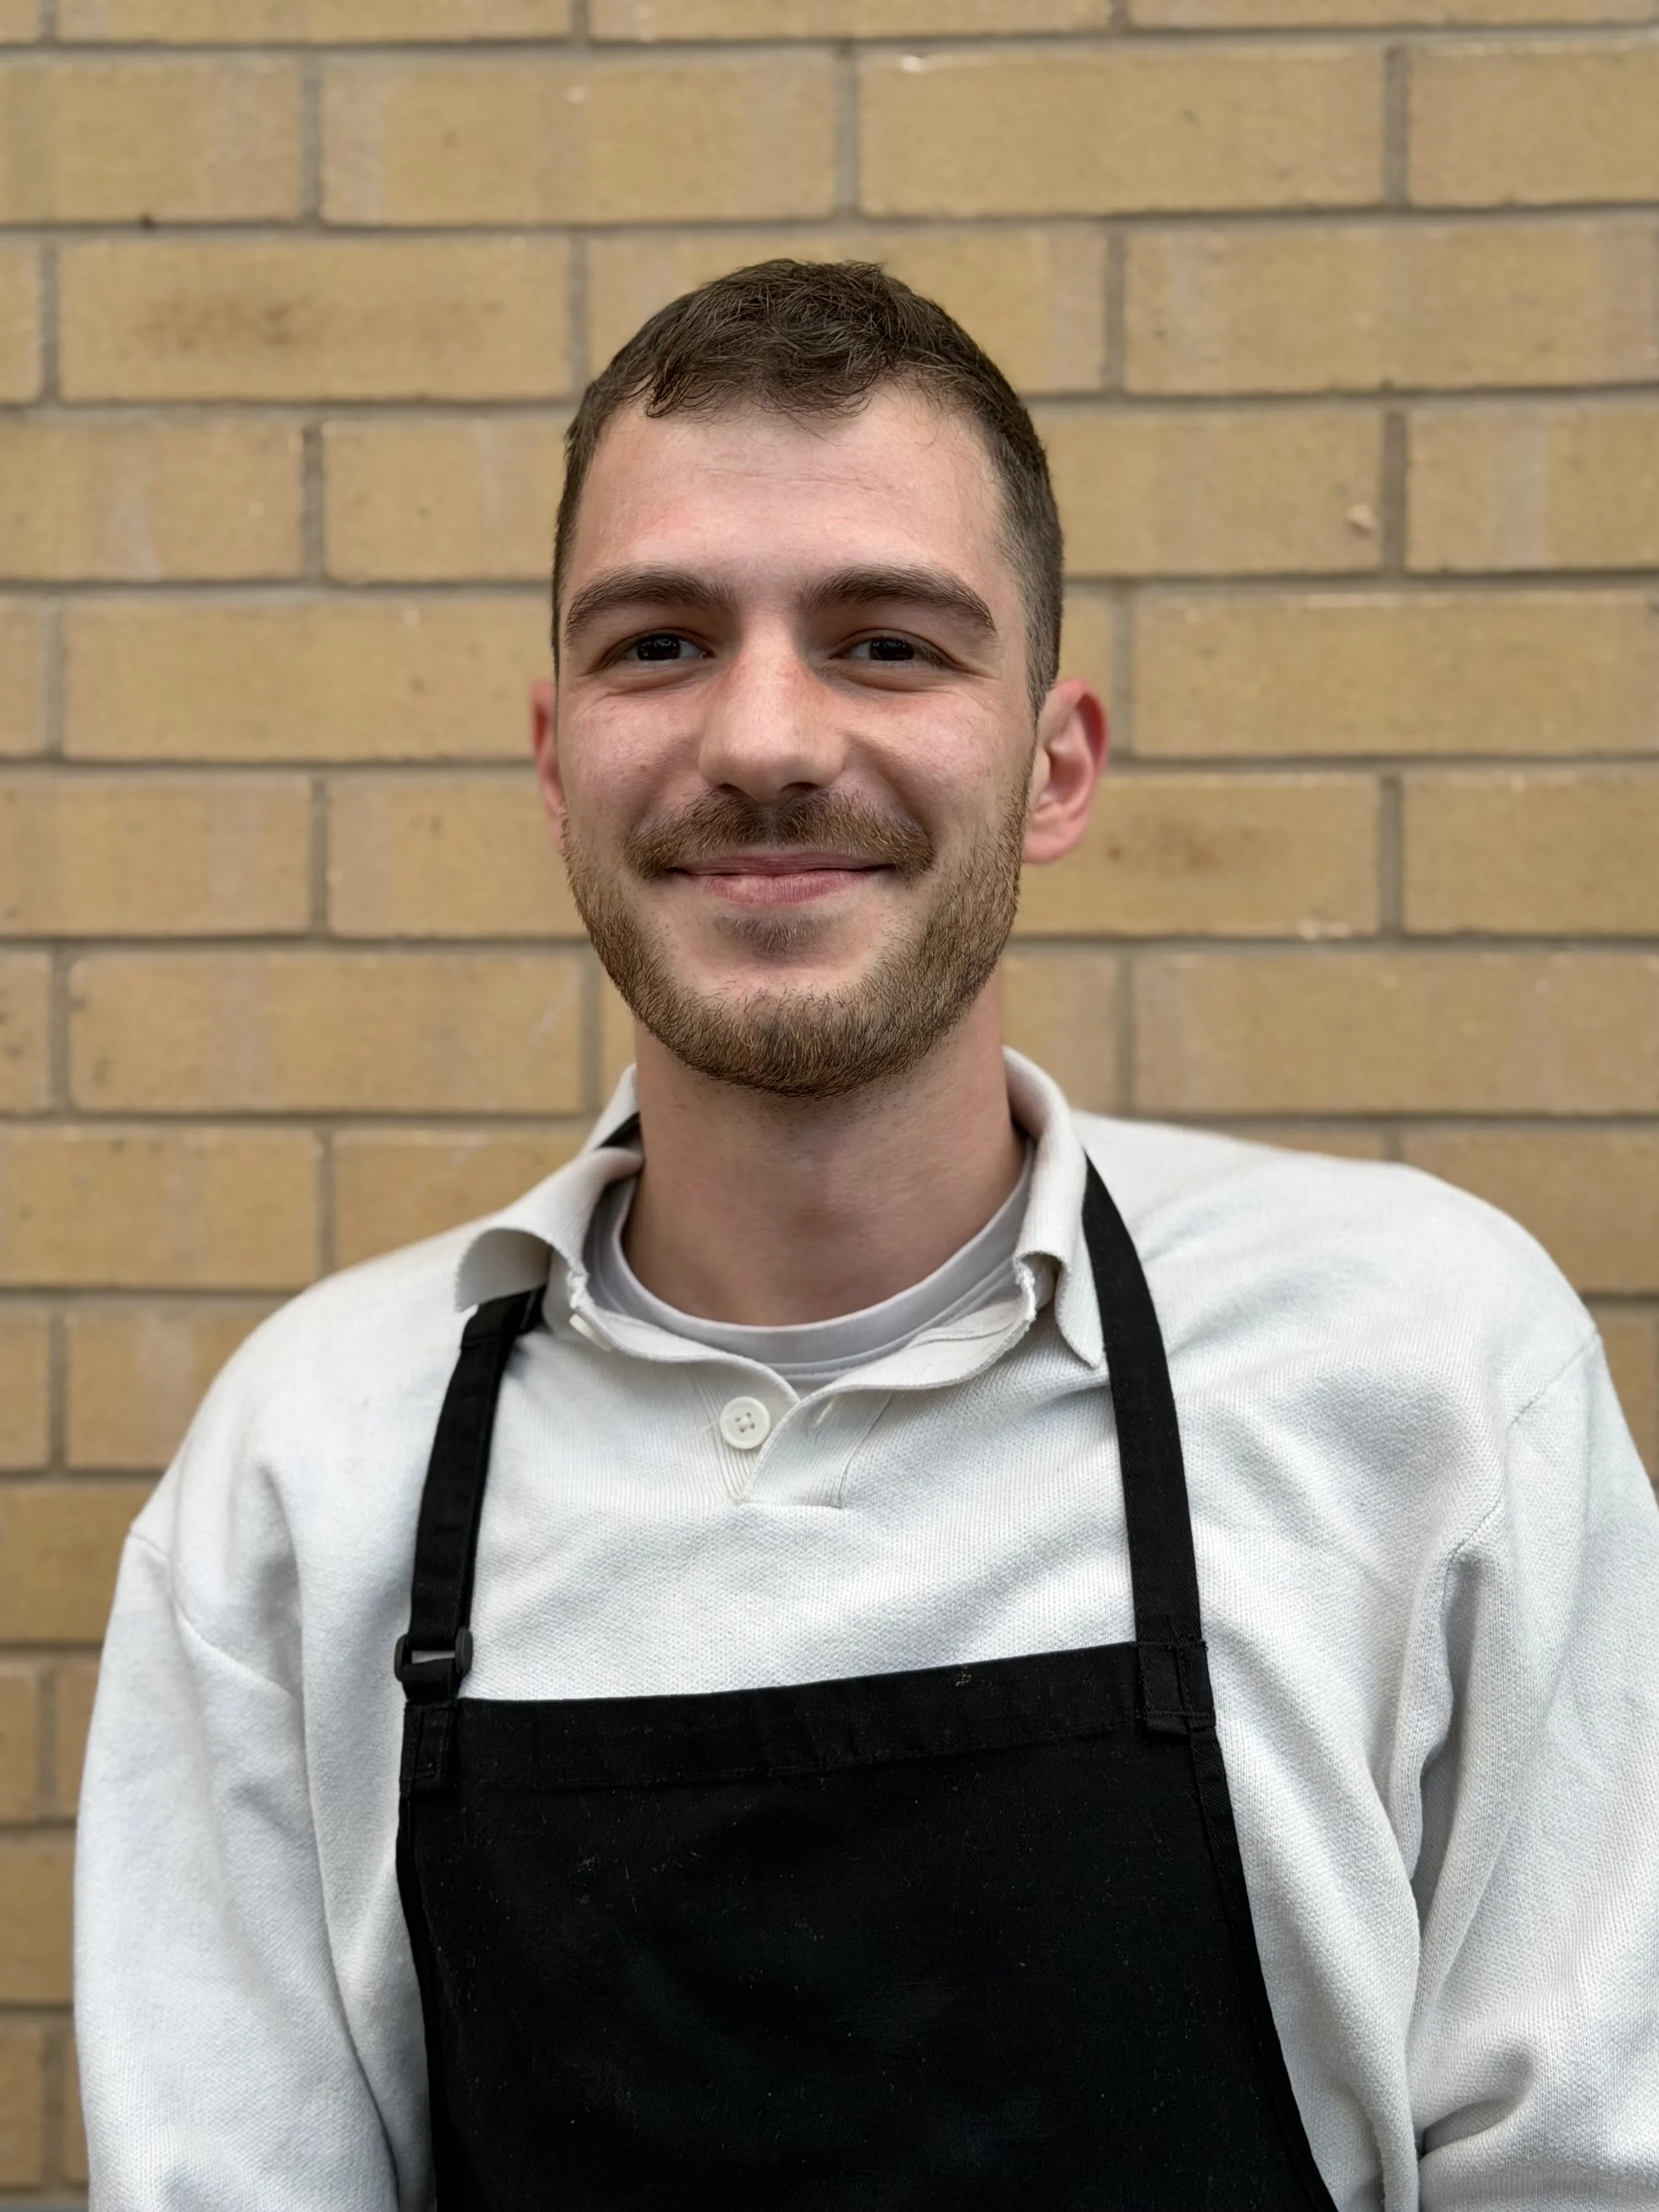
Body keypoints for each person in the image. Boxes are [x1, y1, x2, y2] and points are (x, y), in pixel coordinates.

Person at [76, 261, 1658, 2212]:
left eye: (887, 643)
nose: (761, 736)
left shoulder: (1424, 1366)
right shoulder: (306, 1470)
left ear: (1054, 760)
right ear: (555, 755)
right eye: (657, 642)